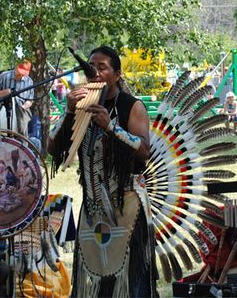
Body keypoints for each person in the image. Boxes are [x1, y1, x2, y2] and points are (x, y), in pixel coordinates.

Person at [48, 46, 153, 297]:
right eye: (91, 66)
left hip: (127, 206)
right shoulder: (82, 104)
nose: (93, 71)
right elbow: (53, 148)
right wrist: (70, 111)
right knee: (95, 281)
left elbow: (145, 150)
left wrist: (111, 127)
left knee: (130, 280)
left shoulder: (132, 106)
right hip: (92, 209)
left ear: (117, 75)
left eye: (101, 67)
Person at [0, 60, 34, 137]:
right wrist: (7, 92)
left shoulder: (29, 81)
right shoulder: (4, 76)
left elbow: (30, 100)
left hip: (21, 110)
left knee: (22, 130)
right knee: (1, 135)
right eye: (20, 72)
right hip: (3, 107)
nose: (21, 75)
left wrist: (23, 107)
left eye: (23, 74)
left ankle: (22, 144)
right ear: (16, 67)